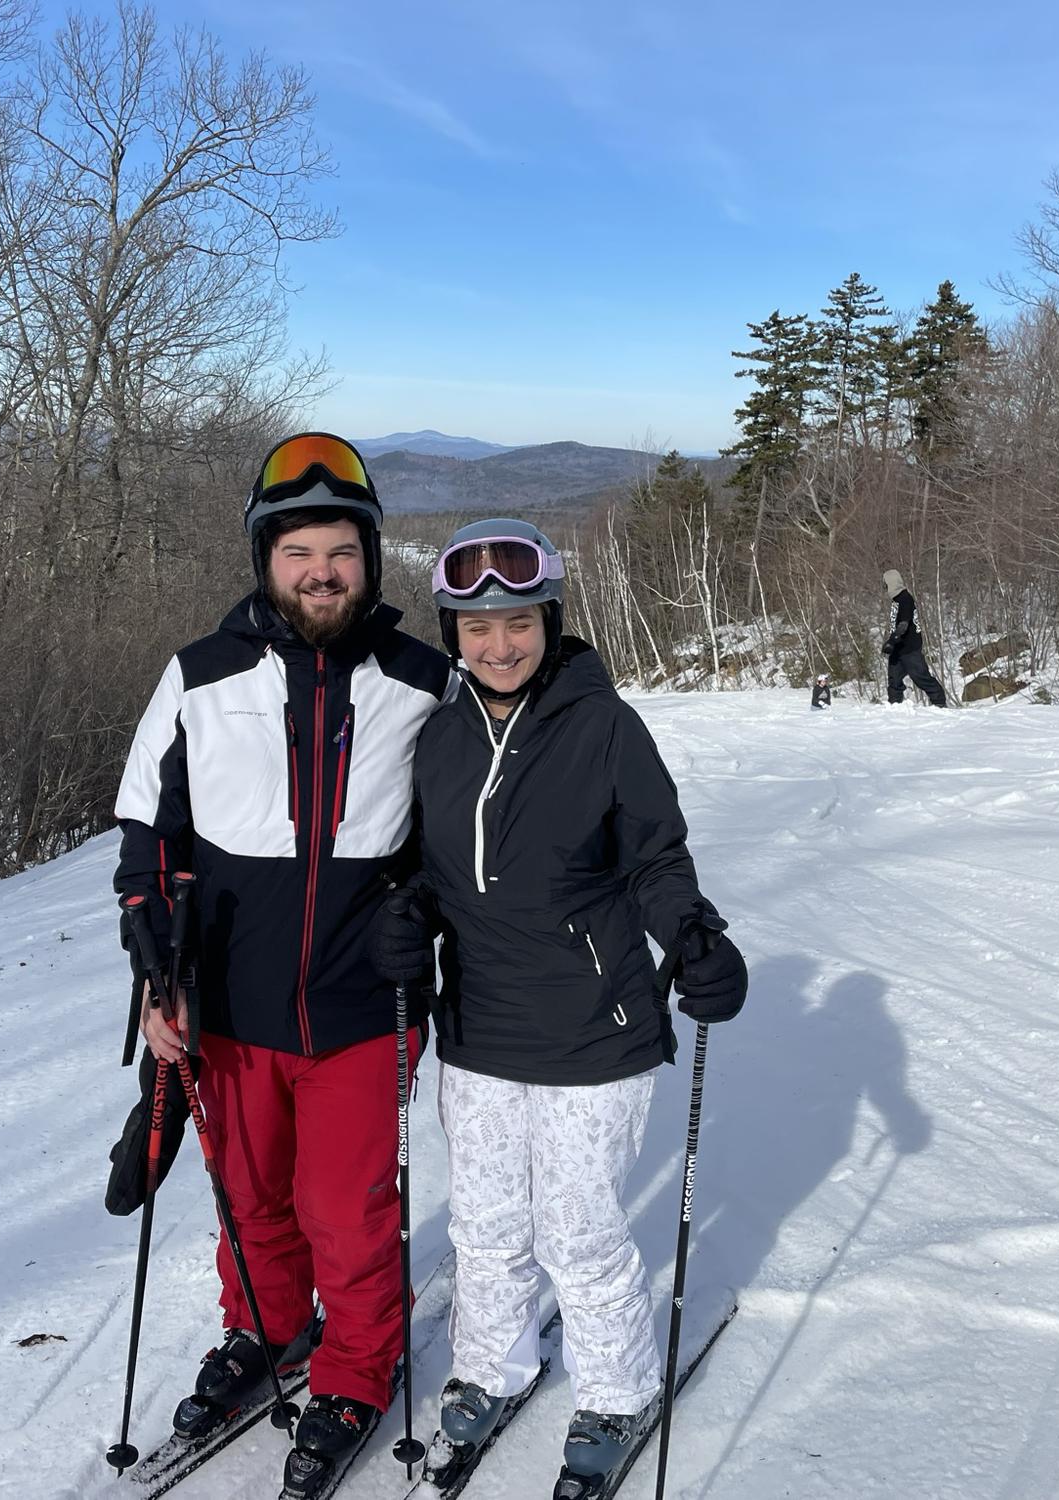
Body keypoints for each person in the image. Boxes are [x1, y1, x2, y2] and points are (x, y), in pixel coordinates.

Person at [369, 519, 748, 1498]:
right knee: (488, 1225)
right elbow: (420, 867)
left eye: (520, 622)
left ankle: (614, 1392)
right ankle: (492, 1369)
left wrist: (695, 938)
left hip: (596, 1030)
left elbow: (657, 858)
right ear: (454, 632)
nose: (499, 644)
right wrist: (405, 920)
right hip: (479, 1030)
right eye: (478, 626)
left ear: (550, 623)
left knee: (577, 1229)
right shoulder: (441, 736)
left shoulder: (605, 726)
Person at [112, 433, 455, 1496]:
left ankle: (355, 1364)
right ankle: (265, 1329)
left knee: (346, 1206)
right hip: (225, 1002)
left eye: (341, 551)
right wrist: (152, 961)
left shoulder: (423, 680)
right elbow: (145, 832)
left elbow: (474, 837)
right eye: (298, 548)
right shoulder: (199, 675)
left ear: (371, 558)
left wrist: (427, 918)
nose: (321, 570)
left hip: (364, 1005)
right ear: (265, 557)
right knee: (251, 1195)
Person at [881, 568, 947, 706]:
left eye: (886, 584)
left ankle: (940, 705)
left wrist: (891, 641)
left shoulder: (905, 598)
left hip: (909, 648)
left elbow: (904, 624)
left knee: (921, 677)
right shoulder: (896, 600)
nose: (885, 588)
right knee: (894, 681)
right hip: (898, 649)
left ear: (892, 583)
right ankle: (895, 708)